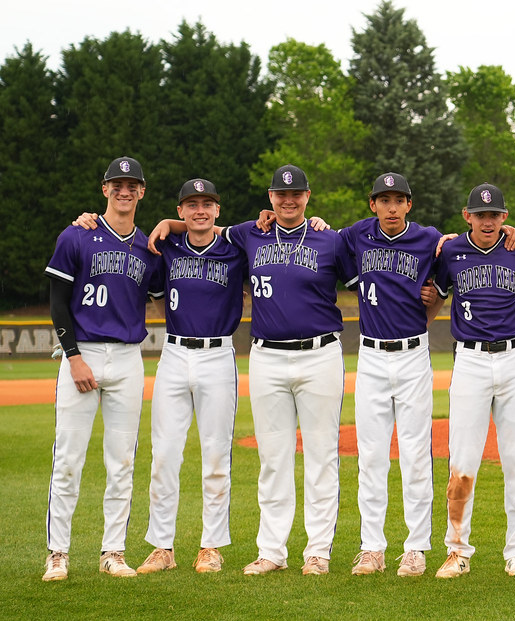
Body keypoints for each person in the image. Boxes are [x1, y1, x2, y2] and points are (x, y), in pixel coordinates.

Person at [149, 164, 353, 576]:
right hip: (266, 356)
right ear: (270, 198)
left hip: (320, 354)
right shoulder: (249, 233)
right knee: (273, 459)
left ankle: (317, 551)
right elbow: (202, 227)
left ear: (308, 197)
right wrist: (167, 222)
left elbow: (362, 273)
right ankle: (272, 551)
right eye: (281, 194)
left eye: (296, 194)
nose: (288, 200)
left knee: (320, 457)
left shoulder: (329, 239)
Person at [73, 179, 245, 575]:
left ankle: (210, 546)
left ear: (218, 211)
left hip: (217, 355)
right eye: (190, 205)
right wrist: (166, 224)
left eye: (207, 204)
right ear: (181, 211)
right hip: (173, 353)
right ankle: (162, 547)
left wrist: (170, 220)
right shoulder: (163, 246)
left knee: (216, 456)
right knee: (164, 455)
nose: (199, 210)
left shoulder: (236, 249)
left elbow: (263, 234)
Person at [42, 156, 164, 581]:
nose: (125, 190)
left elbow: (167, 284)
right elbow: (58, 301)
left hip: (129, 358)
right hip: (84, 353)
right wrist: (72, 356)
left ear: (142, 191)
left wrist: (174, 226)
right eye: (118, 184)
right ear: (105, 188)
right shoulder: (78, 235)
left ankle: (113, 551)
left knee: (122, 462)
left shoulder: (147, 247)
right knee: (68, 459)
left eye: (133, 185)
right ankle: (58, 553)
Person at [432, 183, 515, 578]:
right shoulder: (450, 251)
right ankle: (457, 550)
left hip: (514, 359)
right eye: (481, 214)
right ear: (467, 216)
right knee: (462, 460)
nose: (488, 221)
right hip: (470, 361)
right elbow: (436, 294)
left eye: (495, 215)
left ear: (504, 218)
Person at [341, 173, 444, 577]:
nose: (391, 207)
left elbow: (463, 249)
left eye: (398, 200)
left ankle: (416, 548)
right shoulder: (355, 236)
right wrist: (313, 223)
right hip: (370, 356)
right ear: (372, 204)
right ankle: (372, 548)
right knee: (371, 456)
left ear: (408, 205)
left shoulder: (429, 239)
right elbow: (310, 231)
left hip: (413, 355)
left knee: (416, 455)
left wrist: (436, 298)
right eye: (383, 200)